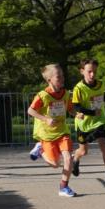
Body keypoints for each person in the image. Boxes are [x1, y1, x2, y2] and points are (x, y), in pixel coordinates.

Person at [27, 63, 77, 197]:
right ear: (49, 80)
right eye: (58, 77)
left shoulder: (66, 94)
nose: (62, 79)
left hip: (62, 132)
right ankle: (40, 149)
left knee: (68, 158)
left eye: (62, 76)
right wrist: (45, 119)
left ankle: (63, 187)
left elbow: (70, 108)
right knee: (55, 164)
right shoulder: (42, 95)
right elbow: (30, 110)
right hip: (47, 135)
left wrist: (76, 114)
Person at [70, 58, 105, 188]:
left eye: (95, 72)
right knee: (83, 151)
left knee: (103, 144)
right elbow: (76, 107)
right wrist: (91, 113)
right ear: (82, 71)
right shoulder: (78, 88)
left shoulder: (100, 84)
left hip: (99, 120)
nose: (92, 75)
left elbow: (102, 97)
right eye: (89, 71)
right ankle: (75, 158)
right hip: (83, 123)